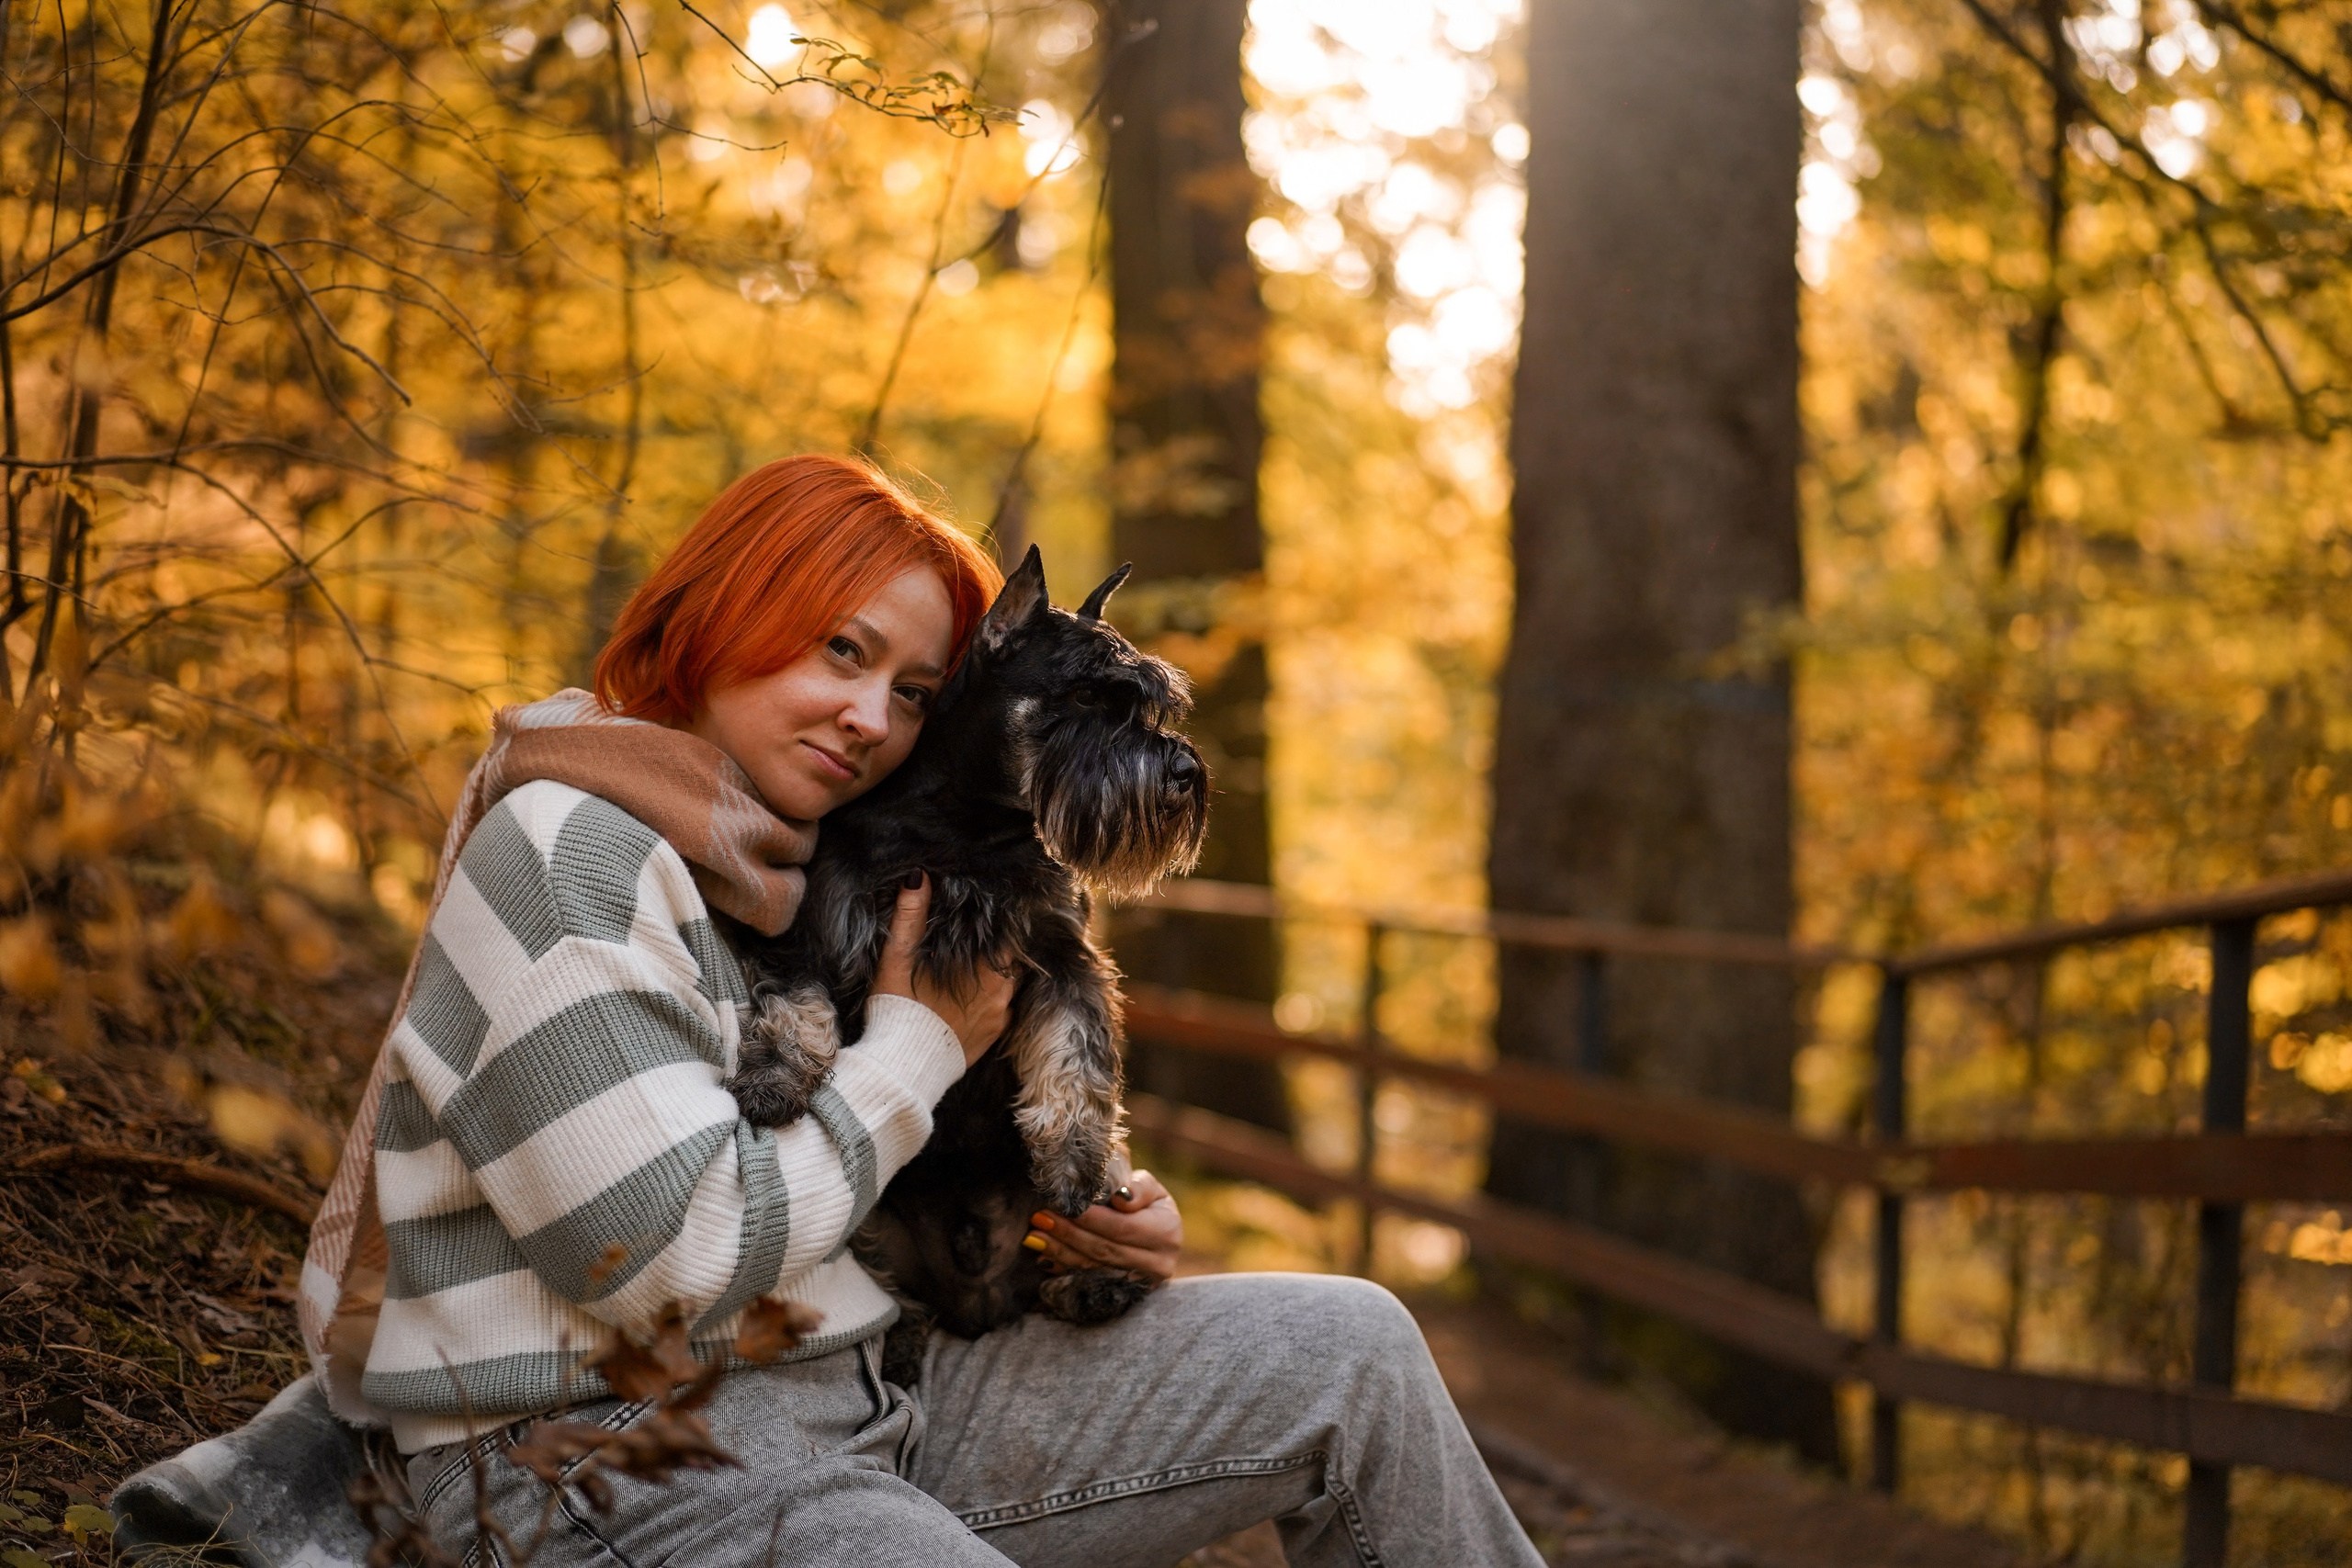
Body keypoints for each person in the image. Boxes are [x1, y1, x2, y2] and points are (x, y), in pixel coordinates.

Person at [300, 455, 1544, 1567]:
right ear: (721, 610)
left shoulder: (779, 862)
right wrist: (917, 1047)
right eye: (842, 651)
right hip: (609, 1457)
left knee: (1354, 1348)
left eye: (912, 693)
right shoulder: (566, 847)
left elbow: (864, 1173)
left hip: (864, 1388)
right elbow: (662, 1266)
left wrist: (1075, 1221)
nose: (869, 719)